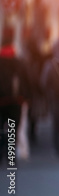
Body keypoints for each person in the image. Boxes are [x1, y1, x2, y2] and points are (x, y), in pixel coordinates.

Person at [0, 30, 31, 164]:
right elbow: (27, 81)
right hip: (16, 101)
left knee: (1, 128)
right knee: (13, 129)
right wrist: (27, 98)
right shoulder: (19, 62)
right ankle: (11, 157)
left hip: (1, 102)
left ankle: (1, 154)